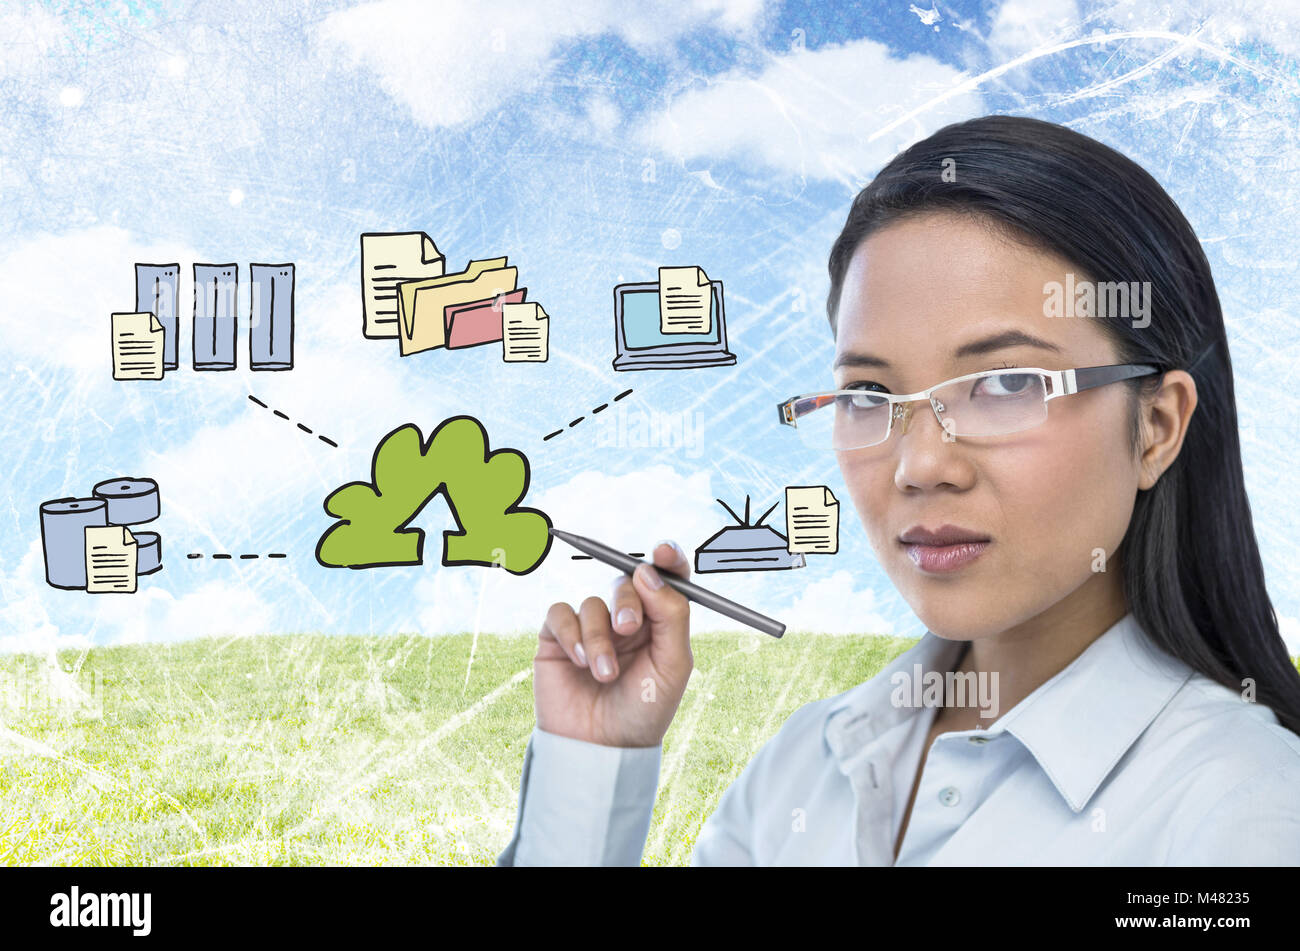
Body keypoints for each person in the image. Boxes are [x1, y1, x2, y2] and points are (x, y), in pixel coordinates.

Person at [497, 114, 1300, 865]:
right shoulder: (802, 768)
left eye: (1006, 383)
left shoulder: (1244, 811)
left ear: (1157, 425)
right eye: (868, 397)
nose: (921, 465)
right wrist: (592, 769)